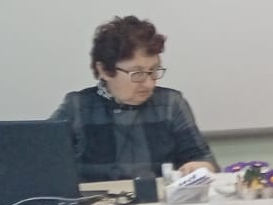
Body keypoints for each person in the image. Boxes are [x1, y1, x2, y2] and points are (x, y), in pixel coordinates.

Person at [49, 15, 215, 181]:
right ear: (104, 70)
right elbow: (44, 161)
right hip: (98, 197)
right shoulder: (77, 107)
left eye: (153, 71)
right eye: (138, 73)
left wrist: (200, 167)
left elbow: (203, 159)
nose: (149, 84)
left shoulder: (171, 104)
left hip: (157, 196)